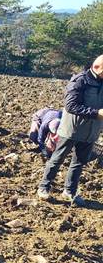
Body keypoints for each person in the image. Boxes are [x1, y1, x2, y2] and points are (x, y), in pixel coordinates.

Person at [37, 55, 103, 206]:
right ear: (97, 67)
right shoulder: (81, 80)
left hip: (91, 131)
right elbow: (71, 106)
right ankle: (44, 187)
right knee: (57, 159)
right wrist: (96, 113)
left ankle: (70, 191)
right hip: (72, 129)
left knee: (79, 162)